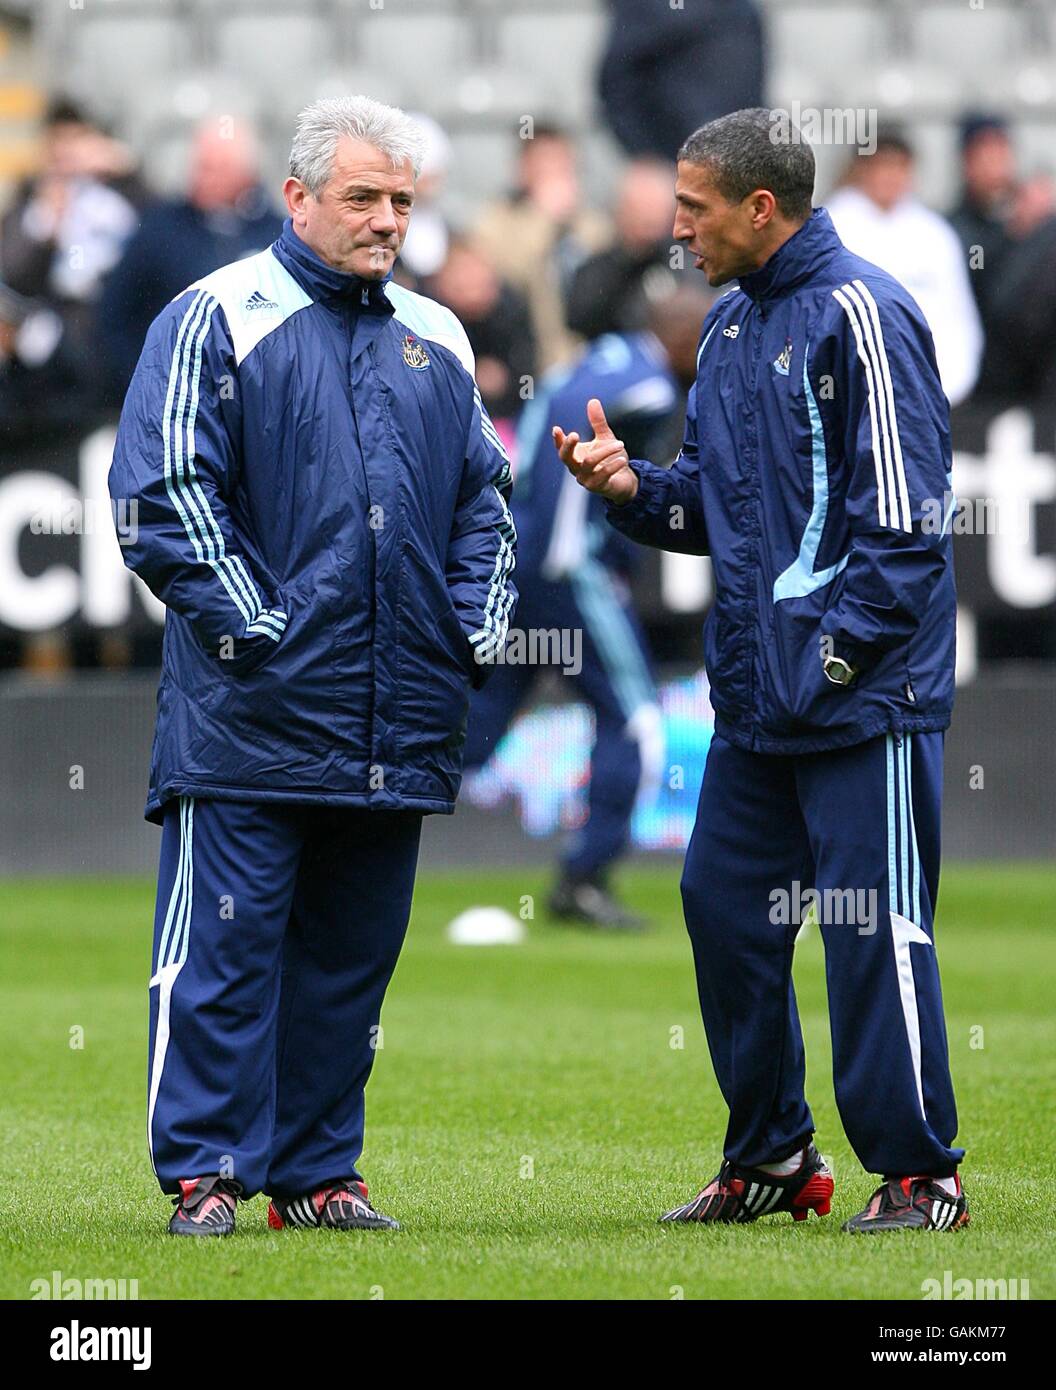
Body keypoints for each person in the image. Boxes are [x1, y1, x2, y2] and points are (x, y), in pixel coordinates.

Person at [108, 95, 516, 1238]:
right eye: (363, 198)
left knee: (347, 970)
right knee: (222, 958)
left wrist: (467, 631)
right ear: (296, 198)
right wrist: (260, 633)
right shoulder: (210, 316)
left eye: (401, 200)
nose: (387, 219)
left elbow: (485, 498)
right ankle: (203, 1173)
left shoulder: (439, 332)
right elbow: (162, 497)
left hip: (398, 717)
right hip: (251, 714)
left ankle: (319, 1173)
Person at [554, 108, 968, 1234]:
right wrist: (634, 489)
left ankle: (922, 1173)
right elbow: (720, 511)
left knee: (871, 929)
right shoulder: (733, 325)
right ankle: (775, 1154)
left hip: (859, 699)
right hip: (760, 701)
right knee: (724, 908)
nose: (676, 229)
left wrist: (831, 657)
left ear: (760, 208)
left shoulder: (864, 315)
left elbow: (906, 529)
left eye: (693, 208)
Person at [465, 288, 708, 929]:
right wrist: (569, 549)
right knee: (635, 721)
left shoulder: (605, 355)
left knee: (477, 722)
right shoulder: (652, 388)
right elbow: (574, 436)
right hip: (571, 571)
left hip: (518, 560)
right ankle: (584, 879)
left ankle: (348, 813)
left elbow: (545, 413)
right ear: (683, 340)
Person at [98, 116, 283, 399]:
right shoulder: (158, 230)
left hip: (259, 398)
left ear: (247, 175)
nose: (202, 177)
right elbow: (114, 316)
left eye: (216, 169)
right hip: (173, 393)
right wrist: (147, 384)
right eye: (200, 166)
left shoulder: (277, 235)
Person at [826, 131, 982, 407]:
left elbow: (958, 317)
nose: (890, 177)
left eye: (898, 167)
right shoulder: (832, 227)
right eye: (882, 166)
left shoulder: (935, 234)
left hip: (924, 395)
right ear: (863, 169)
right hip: (850, 395)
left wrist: (946, 388)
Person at [474, 124, 610, 371]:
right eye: (545, 166)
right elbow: (508, 281)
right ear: (523, 169)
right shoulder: (497, 220)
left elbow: (607, 279)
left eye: (562, 165)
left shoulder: (591, 223)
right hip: (526, 363)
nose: (555, 175)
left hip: (589, 361)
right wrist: (545, 220)